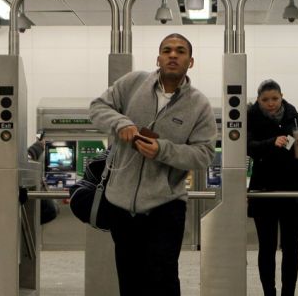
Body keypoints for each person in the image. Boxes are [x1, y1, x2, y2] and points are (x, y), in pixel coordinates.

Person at [89, 33, 216, 296]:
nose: (173, 55)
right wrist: (120, 122)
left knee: (163, 279)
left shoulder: (200, 105)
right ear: (158, 58)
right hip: (121, 204)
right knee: (129, 279)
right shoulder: (133, 83)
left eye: (180, 51)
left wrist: (163, 150)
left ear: (190, 62)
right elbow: (98, 107)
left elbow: (204, 155)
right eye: (167, 50)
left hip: (165, 207)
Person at [247, 79, 298, 296]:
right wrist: (271, 142)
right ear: (258, 100)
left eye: (275, 99)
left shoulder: (293, 117)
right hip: (264, 190)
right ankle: (269, 292)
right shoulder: (251, 118)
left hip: (292, 190)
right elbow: (246, 146)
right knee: (266, 248)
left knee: (290, 248)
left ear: (282, 96)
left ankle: (288, 292)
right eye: (265, 100)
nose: (271, 104)